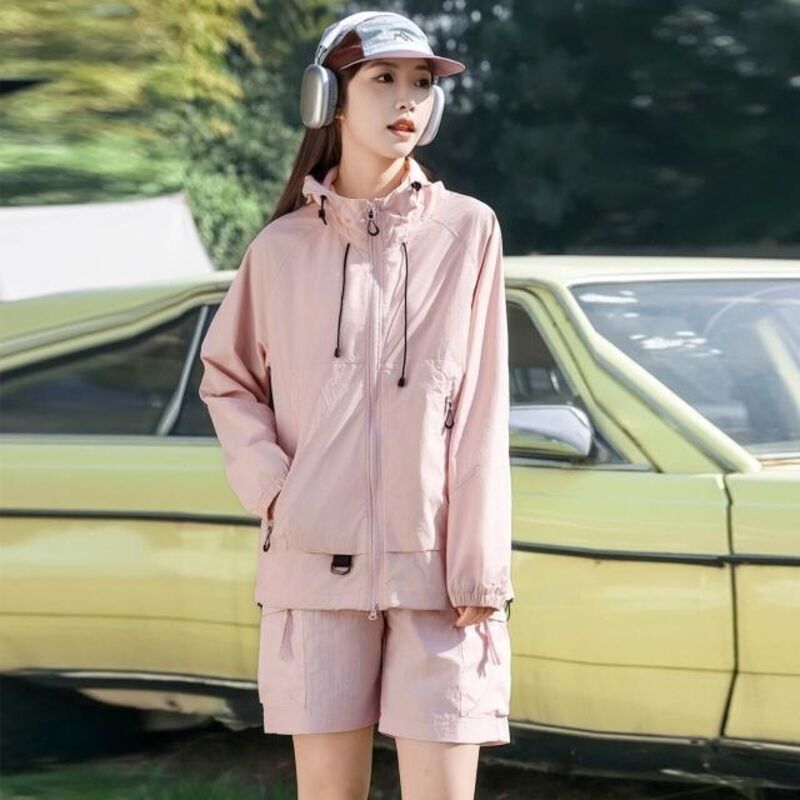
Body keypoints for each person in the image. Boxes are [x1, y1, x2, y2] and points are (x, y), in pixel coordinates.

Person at [198, 10, 515, 800]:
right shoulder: (280, 250)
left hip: (440, 579)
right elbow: (227, 380)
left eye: (422, 83)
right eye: (383, 79)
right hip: (314, 571)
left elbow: (483, 404)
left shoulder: (469, 231)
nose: (408, 99)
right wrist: (279, 492)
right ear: (329, 99)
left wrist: (478, 566)